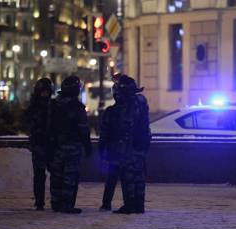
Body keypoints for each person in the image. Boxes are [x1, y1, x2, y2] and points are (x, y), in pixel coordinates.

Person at [98, 74, 151, 214]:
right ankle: (139, 205)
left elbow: (111, 131)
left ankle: (129, 205)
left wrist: (103, 148)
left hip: (125, 149)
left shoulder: (118, 110)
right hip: (139, 146)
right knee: (138, 177)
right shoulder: (141, 103)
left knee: (127, 177)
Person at [48, 75, 92, 214]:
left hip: (55, 146)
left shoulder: (54, 105)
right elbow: (83, 128)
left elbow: (47, 126)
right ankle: (67, 204)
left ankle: (56, 203)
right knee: (70, 176)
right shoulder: (77, 107)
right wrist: (87, 146)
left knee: (56, 175)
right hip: (73, 147)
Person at [25, 77, 54, 211]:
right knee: (39, 174)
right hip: (39, 144)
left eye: (46, 92)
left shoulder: (53, 106)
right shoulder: (34, 107)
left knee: (54, 173)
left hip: (51, 144)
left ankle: (55, 200)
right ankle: (39, 202)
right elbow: (29, 124)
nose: (44, 94)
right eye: (42, 92)